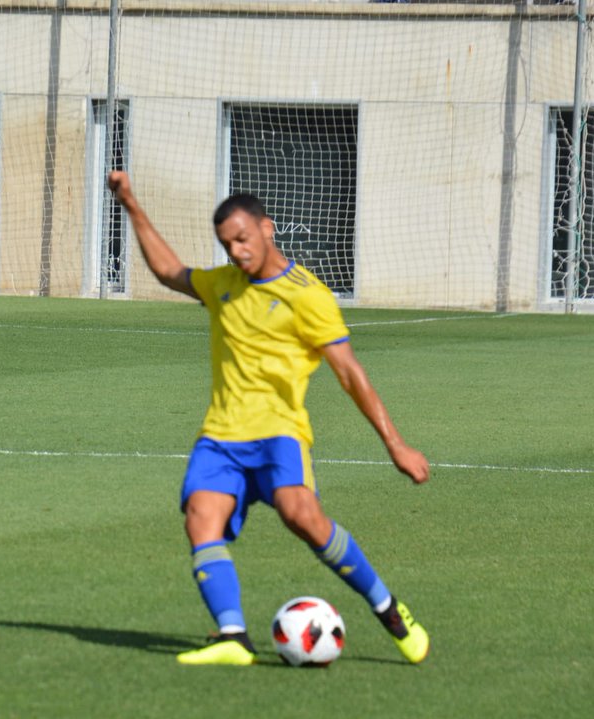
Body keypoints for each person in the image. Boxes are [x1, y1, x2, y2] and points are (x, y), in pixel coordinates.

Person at [108, 171, 431, 666]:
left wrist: (395, 444)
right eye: (226, 244)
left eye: (242, 239)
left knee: (303, 518)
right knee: (201, 517)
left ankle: (389, 610)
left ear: (267, 228)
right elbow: (170, 271)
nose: (236, 251)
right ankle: (232, 636)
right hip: (220, 436)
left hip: (280, 435)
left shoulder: (308, 295)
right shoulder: (222, 286)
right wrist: (130, 204)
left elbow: (350, 373)